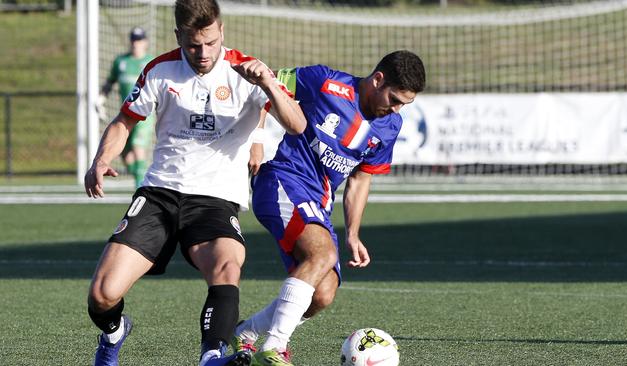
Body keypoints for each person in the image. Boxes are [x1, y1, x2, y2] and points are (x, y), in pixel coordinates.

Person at [83, 1, 306, 366]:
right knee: (102, 295)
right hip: (159, 195)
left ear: (222, 32)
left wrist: (266, 82)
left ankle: (212, 356)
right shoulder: (159, 70)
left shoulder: (247, 70)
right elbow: (124, 121)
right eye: (193, 45)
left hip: (215, 200)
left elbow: (297, 124)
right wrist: (101, 159)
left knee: (227, 266)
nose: (203, 53)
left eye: (211, 43)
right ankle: (114, 332)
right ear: (179, 37)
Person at [233, 50, 426, 366]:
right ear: (378, 80)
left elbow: (360, 180)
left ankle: (247, 334)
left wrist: (352, 233)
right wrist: (256, 138)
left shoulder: (390, 126)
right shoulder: (324, 82)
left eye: (405, 103)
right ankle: (276, 346)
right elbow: (262, 85)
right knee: (322, 255)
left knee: (323, 293)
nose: (397, 108)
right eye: (394, 99)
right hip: (281, 180)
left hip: (318, 204)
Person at [98, 26, 155, 188]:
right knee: (125, 154)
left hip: (145, 114)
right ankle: (141, 178)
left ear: (145, 42)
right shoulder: (121, 62)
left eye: (139, 40)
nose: (135, 44)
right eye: (133, 40)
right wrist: (101, 98)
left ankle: (140, 189)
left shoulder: (151, 62)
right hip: (126, 114)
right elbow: (110, 82)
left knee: (138, 145)